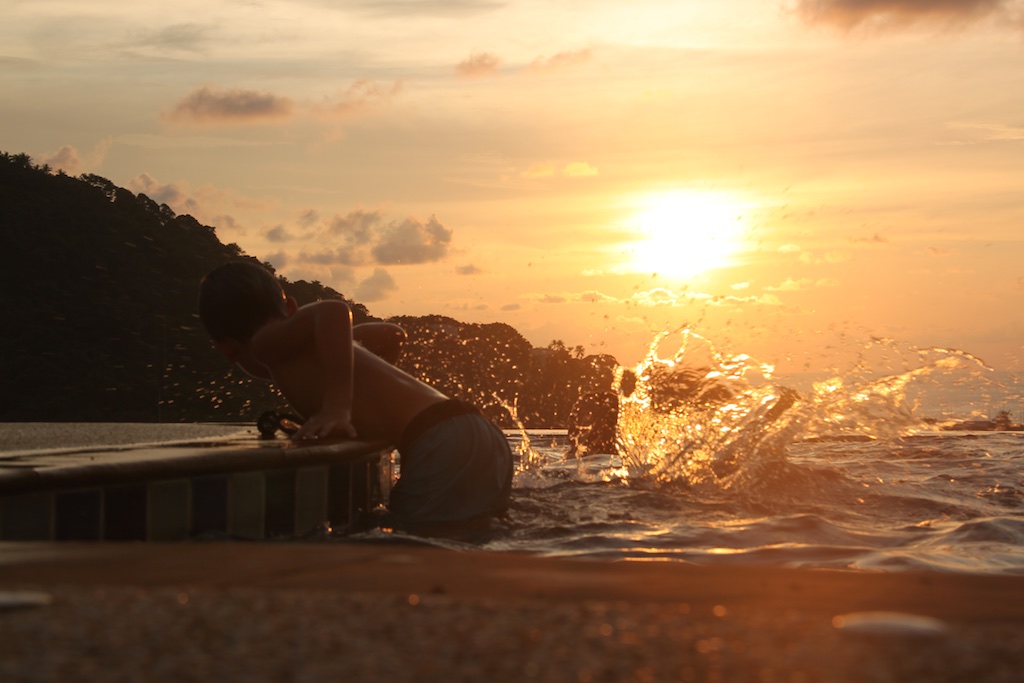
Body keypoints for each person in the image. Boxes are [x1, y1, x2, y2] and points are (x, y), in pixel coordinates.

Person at [197, 261, 513, 528]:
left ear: (227, 350)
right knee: (472, 533)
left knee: (415, 545)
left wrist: (338, 407)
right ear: (290, 305)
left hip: (441, 441)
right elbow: (393, 335)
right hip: (474, 431)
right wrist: (353, 357)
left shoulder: (265, 342)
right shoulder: (322, 349)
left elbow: (333, 310)